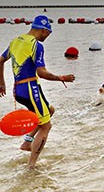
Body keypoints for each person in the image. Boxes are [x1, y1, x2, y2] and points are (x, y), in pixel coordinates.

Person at [0, 15, 75, 167]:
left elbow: (0, 60)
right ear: (43, 30)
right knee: (46, 126)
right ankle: (31, 166)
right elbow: (41, 72)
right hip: (30, 89)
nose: (47, 37)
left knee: (50, 110)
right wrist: (61, 78)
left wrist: (1, 82)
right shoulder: (36, 45)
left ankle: (27, 142)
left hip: (18, 90)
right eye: (48, 33)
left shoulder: (16, 40)